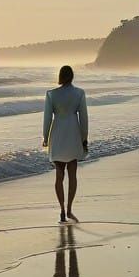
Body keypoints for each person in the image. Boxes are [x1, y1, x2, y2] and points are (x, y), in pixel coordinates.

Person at [42, 65, 89, 224]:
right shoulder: (79, 93)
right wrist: (84, 138)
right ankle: (69, 209)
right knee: (73, 175)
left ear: (61, 76)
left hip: (58, 134)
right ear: (72, 76)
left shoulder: (51, 94)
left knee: (59, 175)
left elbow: (47, 117)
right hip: (73, 134)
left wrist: (45, 137)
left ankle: (61, 209)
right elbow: (84, 118)